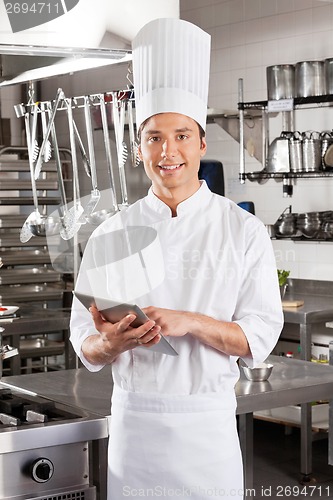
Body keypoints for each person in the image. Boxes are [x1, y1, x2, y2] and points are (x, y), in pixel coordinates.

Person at [70, 18, 284, 500]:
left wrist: (189, 321)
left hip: (206, 429)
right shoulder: (111, 233)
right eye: (154, 137)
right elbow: (86, 344)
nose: (168, 151)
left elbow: (258, 338)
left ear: (201, 143)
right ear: (139, 148)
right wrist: (113, 345)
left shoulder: (242, 230)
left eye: (182, 135)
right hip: (135, 430)